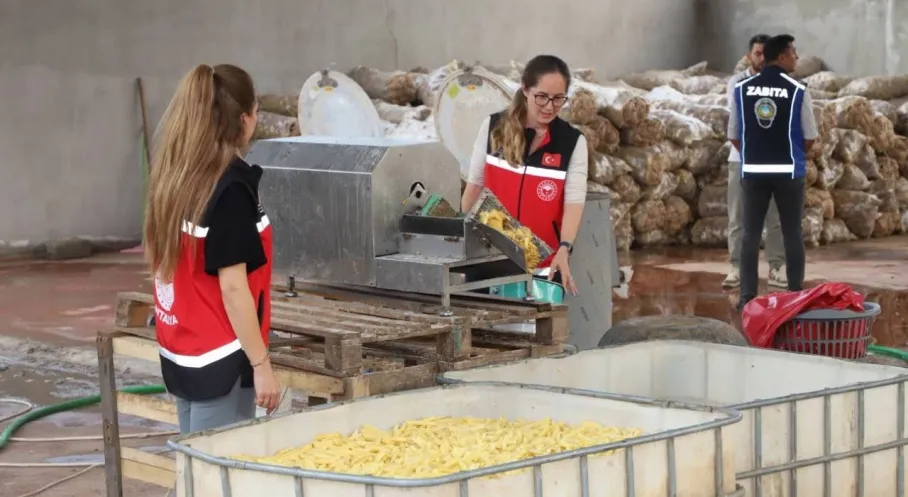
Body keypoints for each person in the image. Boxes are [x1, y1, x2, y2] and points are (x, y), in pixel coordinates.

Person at [142, 64, 281, 434]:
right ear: (245, 119)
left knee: (195, 465)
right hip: (221, 357)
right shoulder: (230, 190)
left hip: (185, 349)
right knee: (215, 472)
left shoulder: (178, 177)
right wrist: (262, 364)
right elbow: (234, 289)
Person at [461, 55, 589, 295]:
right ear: (525, 89)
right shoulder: (493, 128)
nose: (550, 106)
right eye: (541, 97)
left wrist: (564, 248)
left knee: (536, 331)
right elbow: (474, 188)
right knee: (482, 330)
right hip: (487, 260)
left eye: (558, 98)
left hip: (542, 267)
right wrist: (464, 243)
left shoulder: (571, 142)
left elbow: (574, 202)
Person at [727, 35, 819, 310]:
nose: (796, 58)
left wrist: (754, 155)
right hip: (788, 171)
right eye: (793, 53)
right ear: (780, 57)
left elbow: (734, 135)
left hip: (753, 170)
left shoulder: (742, 88)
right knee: (791, 232)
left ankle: (746, 299)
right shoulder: (798, 90)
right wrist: (789, 152)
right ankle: (794, 295)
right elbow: (810, 136)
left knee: (750, 234)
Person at [723, 34, 787, 291]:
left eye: (765, 53)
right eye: (757, 53)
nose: (761, 58)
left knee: (774, 217)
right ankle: (736, 267)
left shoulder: (783, 84)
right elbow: (739, 122)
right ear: (748, 56)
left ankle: (777, 267)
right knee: (738, 216)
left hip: (773, 161)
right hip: (741, 158)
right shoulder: (737, 83)